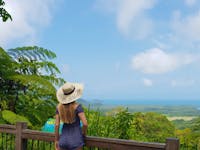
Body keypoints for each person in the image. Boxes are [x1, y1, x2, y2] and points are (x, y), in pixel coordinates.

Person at [55, 82, 88, 150]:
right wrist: (83, 135)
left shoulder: (59, 108)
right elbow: (85, 124)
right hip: (76, 140)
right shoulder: (77, 107)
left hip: (63, 140)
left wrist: (56, 140)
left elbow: (56, 125)